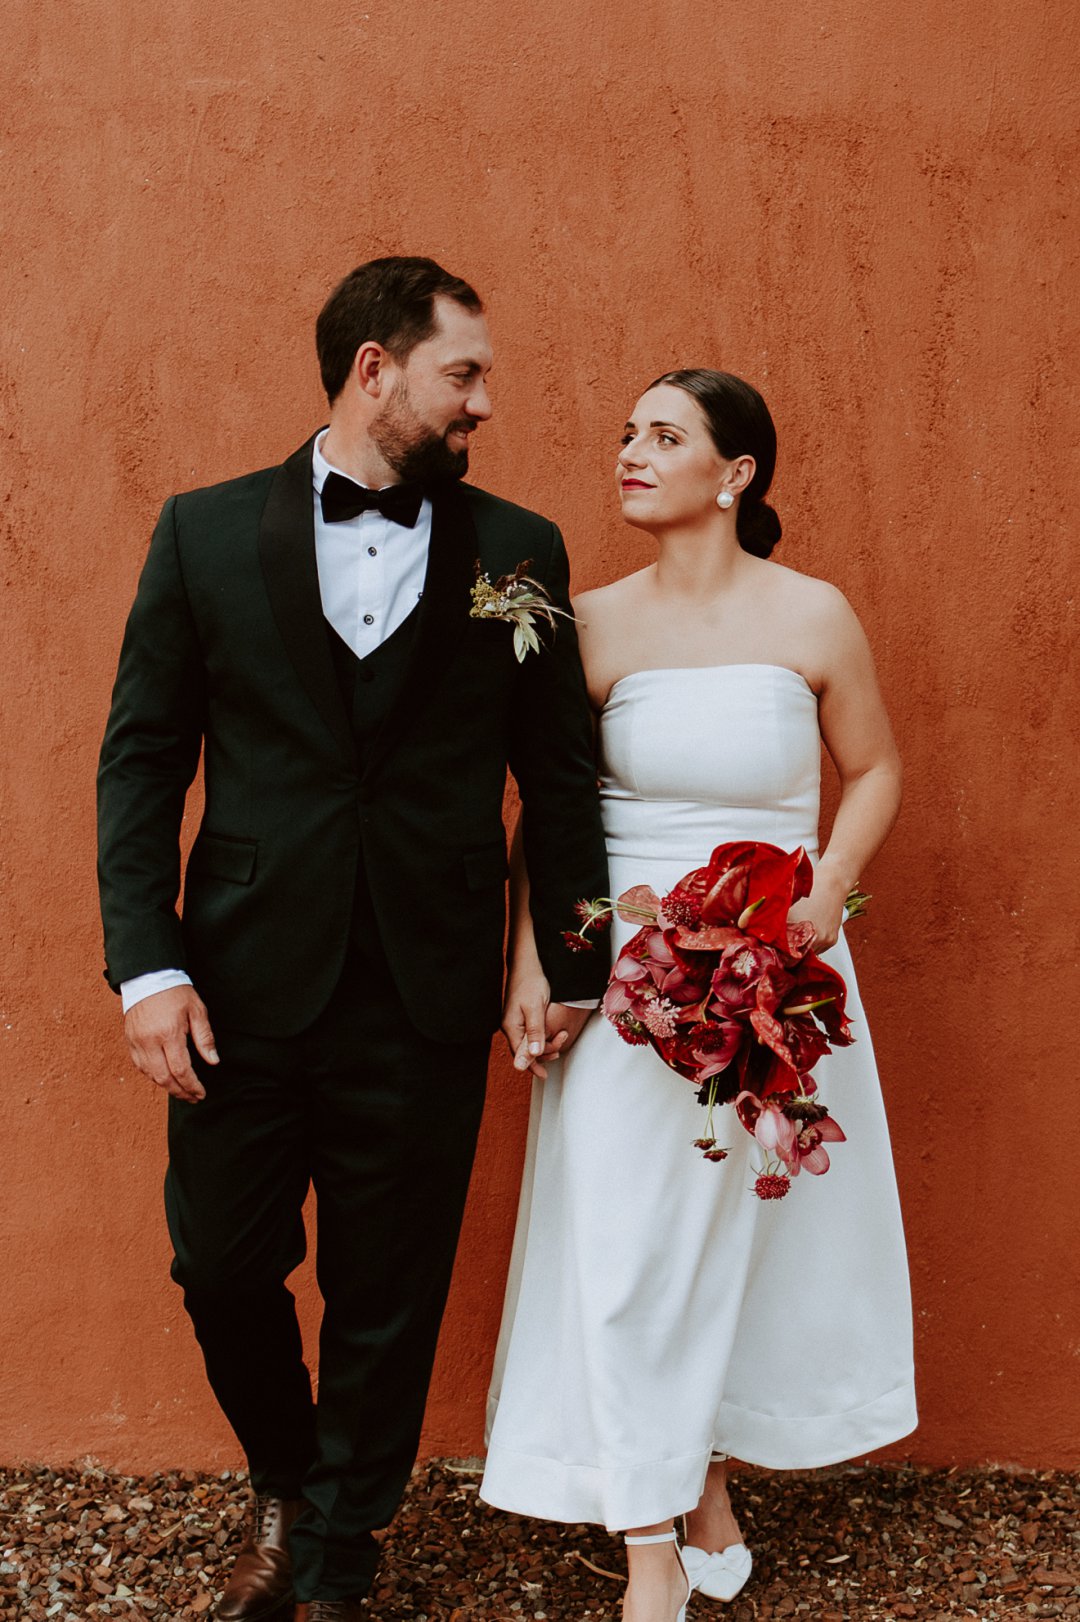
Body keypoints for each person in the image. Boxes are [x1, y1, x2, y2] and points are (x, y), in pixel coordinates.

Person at [96, 256, 610, 1622]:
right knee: (220, 1261)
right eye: (463, 374)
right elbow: (143, 759)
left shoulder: (520, 550)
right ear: (374, 369)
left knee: (388, 1286)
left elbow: (558, 772)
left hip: (426, 980)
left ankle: (333, 1555)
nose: (484, 402)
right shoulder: (203, 533)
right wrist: (148, 965)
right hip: (240, 979)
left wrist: (571, 958)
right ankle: (288, 1476)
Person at [481, 369, 917, 1622]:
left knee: (743, 1235)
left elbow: (876, 767)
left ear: (736, 474)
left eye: (664, 436)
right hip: (631, 978)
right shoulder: (589, 622)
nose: (631, 451)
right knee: (625, 1244)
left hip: (779, 968)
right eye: (627, 432)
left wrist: (828, 887)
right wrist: (533, 963)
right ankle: (647, 1540)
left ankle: (705, 1468)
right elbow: (550, 816)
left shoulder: (814, 613)